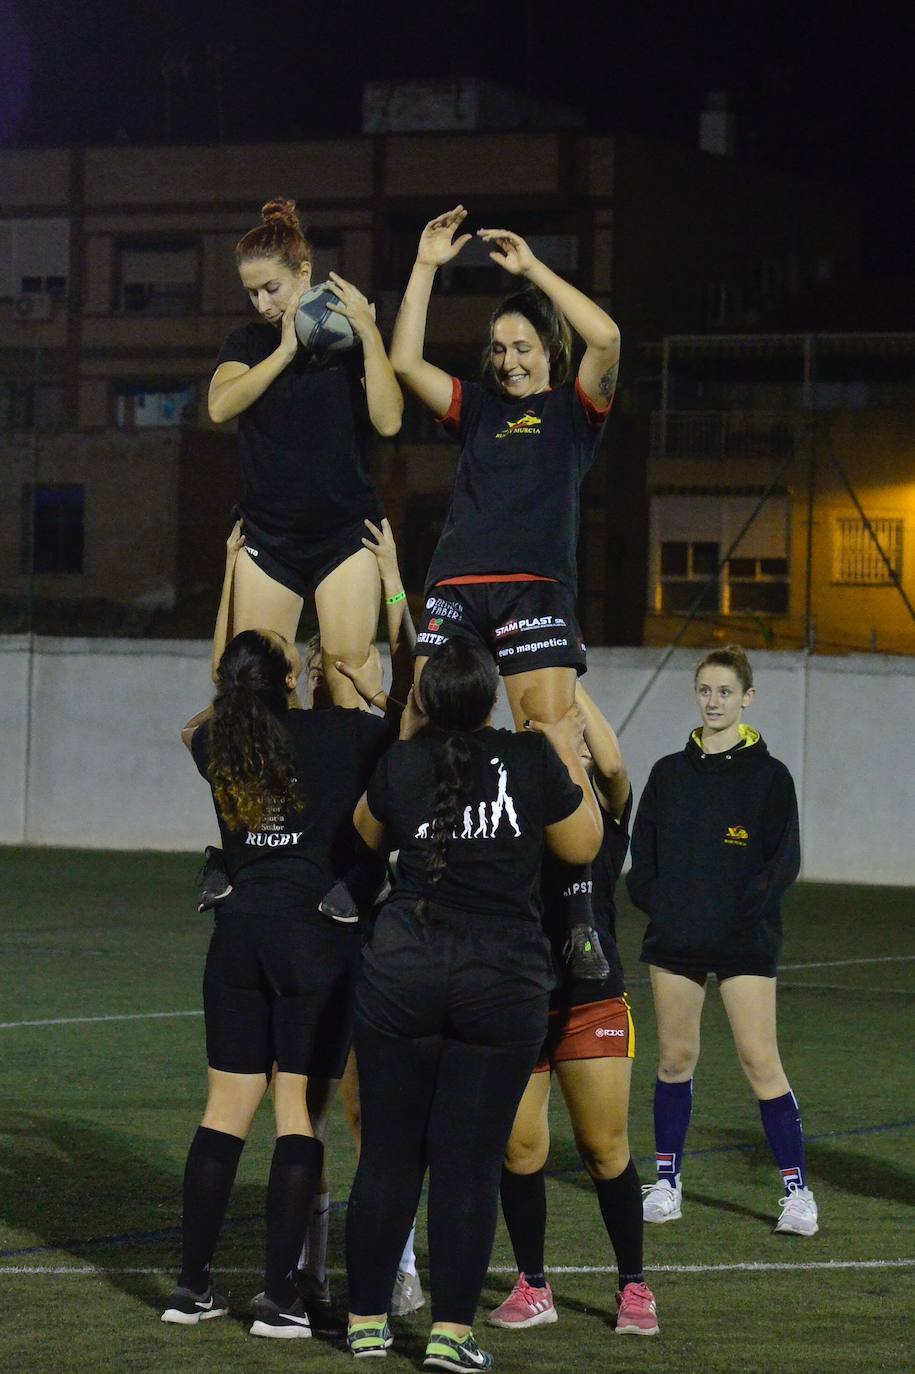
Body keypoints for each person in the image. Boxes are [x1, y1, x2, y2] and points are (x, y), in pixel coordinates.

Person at [342, 638, 603, 1370]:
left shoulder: (403, 762)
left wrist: (402, 743)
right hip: (501, 979)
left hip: (405, 971)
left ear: (425, 701)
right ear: (491, 698)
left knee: (389, 1158)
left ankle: (366, 1324)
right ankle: (450, 1336)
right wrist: (560, 746)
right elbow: (582, 845)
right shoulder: (526, 760)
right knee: (467, 1165)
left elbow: (365, 836)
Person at [390, 205, 620, 977]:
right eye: (497, 349)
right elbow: (403, 364)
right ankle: (405, 872)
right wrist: (424, 265)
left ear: (546, 348)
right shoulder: (479, 408)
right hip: (455, 585)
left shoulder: (574, 411)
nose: (509, 359)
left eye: (521, 346)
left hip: (533, 593)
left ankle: (579, 909)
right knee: (420, 713)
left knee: (547, 733)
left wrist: (531, 275)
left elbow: (608, 338)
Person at [161, 626, 390, 1337]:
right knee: (296, 1113)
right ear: (291, 680)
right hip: (312, 939)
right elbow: (402, 727)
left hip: (236, 936)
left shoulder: (220, 743)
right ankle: (281, 1299)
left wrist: (239, 686)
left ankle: (191, 1288)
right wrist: (364, 681)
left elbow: (188, 728)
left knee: (223, 1111)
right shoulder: (343, 735)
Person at [626, 645, 814, 1236]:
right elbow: (644, 856)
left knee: (762, 1063)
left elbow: (784, 863)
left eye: (726, 692)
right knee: (676, 1060)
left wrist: (738, 915)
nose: (714, 701)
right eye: (706, 690)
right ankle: (667, 1183)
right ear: (696, 694)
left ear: (747, 698)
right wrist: (668, 907)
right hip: (677, 940)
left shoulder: (770, 776)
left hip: (744, 942)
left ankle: (797, 1193)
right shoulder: (668, 773)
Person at [488, 684, 659, 1337]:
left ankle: (633, 1287)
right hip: (522, 996)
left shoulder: (604, 808)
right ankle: (533, 1285)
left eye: (576, 738)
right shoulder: (516, 803)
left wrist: (564, 676)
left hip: (591, 1003)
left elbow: (613, 766)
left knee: (602, 1148)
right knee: (520, 1149)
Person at [208, 197, 403, 710]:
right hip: (270, 536)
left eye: (272, 288)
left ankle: (349, 784)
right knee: (256, 685)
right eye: (251, 293)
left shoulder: (348, 345)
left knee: (344, 675)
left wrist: (369, 334)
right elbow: (220, 406)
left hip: (344, 532)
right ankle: (285, 787)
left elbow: (389, 420)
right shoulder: (248, 344)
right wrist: (284, 352)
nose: (262, 304)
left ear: (305, 273)